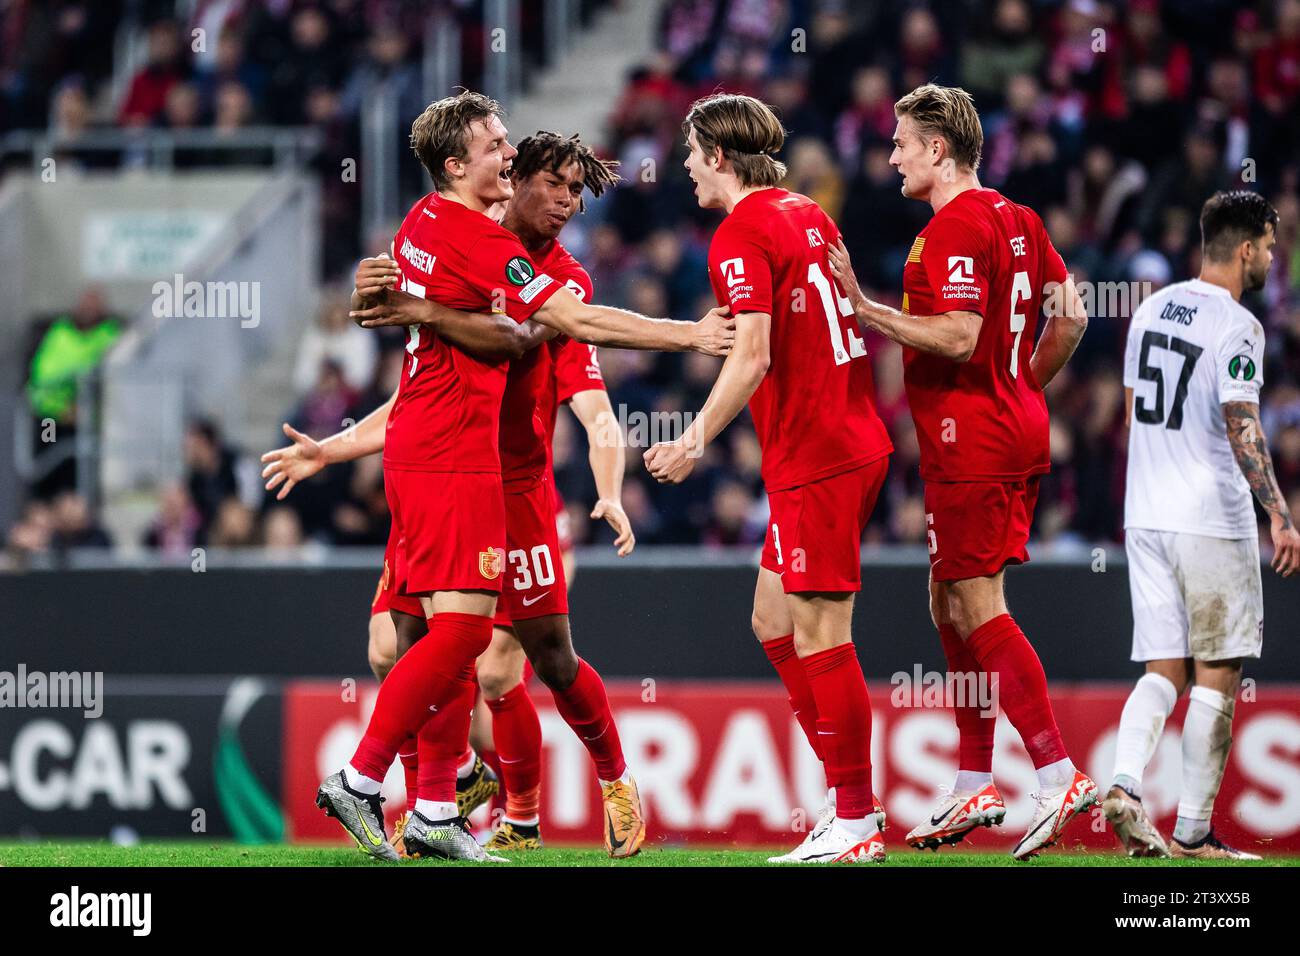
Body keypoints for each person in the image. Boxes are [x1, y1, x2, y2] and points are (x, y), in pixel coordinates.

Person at [305, 91, 733, 863]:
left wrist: (606, 489)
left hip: (511, 487)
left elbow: (590, 404)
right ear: (508, 176)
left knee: (529, 660)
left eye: (579, 190)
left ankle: (572, 790)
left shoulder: (537, 265)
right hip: (450, 463)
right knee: (407, 646)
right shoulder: (476, 240)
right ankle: (429, 796)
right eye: (553, 182)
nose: (569, 202)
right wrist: (690, 335)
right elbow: (481, 342)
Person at [826, 83, 1093, 859]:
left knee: (976, 605)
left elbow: (955, 335)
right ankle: (974, 776)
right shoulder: (1020, 217)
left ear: (938, 149)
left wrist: (863, 307)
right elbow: (1070, 314)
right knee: (947, 602)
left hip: (972, 441)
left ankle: (1055, 772)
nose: (893, 155)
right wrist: (1025, 388)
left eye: (903, 143)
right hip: (1007, 428)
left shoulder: (951, 229)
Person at [644, 93, 892, 864]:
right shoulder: (805, 211)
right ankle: (842, 798)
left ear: (718, 157)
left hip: (819, 453)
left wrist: (692, 439)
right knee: (772, 621)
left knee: (824, 634)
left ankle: (854, 820)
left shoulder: (738, 231)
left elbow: (751, 355)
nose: (684, 166)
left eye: (691, 153)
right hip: (840, 440)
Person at [1105, 190, 1299, 860]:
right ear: (1246, 248)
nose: (1274, 258)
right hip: (1211, 518)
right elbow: (1242, 423)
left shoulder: (1152, 308)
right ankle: (1192, 833)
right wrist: (1279, 512)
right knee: (1217, 672)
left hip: (1146, 515)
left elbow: (1132, 417)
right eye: (1271, 246)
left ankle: (1125, 784)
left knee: (1163, 667)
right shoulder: (1239, 325)